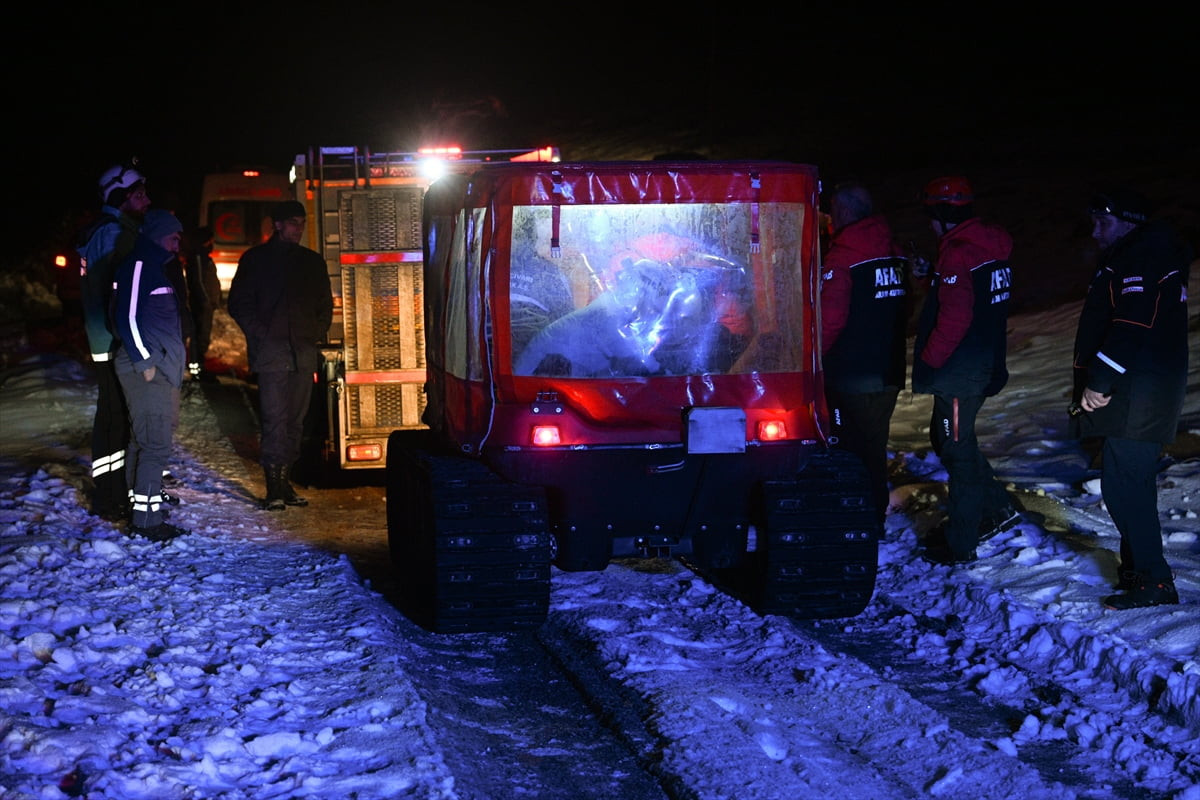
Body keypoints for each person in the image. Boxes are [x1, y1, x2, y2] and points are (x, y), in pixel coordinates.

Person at [1071, 187, 1191, 609]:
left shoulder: (1139, 256)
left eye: (1102, 221)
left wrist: (1100, 380)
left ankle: (1154, 581)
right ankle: (1138, 572)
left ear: (1128, 221)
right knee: (1130, 483)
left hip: (1138, 389)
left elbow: (1131, 325)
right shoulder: (1149, 252)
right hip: (1144, 385)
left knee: (1125, 486)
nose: (1094, 231)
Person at [912, 176, 1017, 565]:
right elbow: (964, 296)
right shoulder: (985, 247)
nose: (927, 224)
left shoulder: (958, 253)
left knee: (955, 448)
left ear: (940, 213)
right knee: (951, 441)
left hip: (959, 372)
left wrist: (929, 360)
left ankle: (962, 540)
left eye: (929, 215)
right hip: (980, 363)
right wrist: (929, 276)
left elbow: (956, 317)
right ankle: (997, 508)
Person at [228, 200, 333, 511]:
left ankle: (285, 484)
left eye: (301, 223)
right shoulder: (256, 261)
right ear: (277, 225)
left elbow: (324, 304)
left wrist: (316, 331)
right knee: (275, 420)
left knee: (296, 422)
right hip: (272, 354)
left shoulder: (311, 262)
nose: (298, 228)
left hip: (301, 352)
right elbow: (239, 304)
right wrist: (262, 333)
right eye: (292, 223)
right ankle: (273, 488)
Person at [819, 182, 909, 527]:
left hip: (849, 375)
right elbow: (904, 308)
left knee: (848, 450)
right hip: (888, 371)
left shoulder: (843, 257)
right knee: (873, 446)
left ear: (842, 213)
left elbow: (831, 319)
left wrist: (812, 363)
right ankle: (873, 515)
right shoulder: (896, 252)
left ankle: (855, 520)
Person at [76, 164, 150, 521]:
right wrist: (132, 339)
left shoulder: (110, 230)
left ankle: (114, 492)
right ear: (120, 197)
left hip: (108, 337)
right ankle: (110, 497)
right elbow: (117, 293)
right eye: (139, 195)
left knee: (114, 416)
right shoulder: (112, 233)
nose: (146, 200)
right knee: (114, 419)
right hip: (113, 340)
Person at [110, 210, 189, 541]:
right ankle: (146, 523)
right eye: (174, 235)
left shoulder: (153, 266)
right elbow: (125, 318)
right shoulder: (140, 266)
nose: (178, 242)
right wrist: (146, 363)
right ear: (157, 234)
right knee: (154, 445)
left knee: (144, 442)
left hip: (155, 368)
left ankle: (142, 507)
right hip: (144, 369)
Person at [183, 226, 221, 381]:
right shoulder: (198, 256)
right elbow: (198, 281)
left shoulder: (204, 256)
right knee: (199, 335)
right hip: (201, 304)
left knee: (202, 335)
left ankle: (199, 366)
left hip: (205, 304)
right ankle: (197, 369)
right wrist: (205, 300)